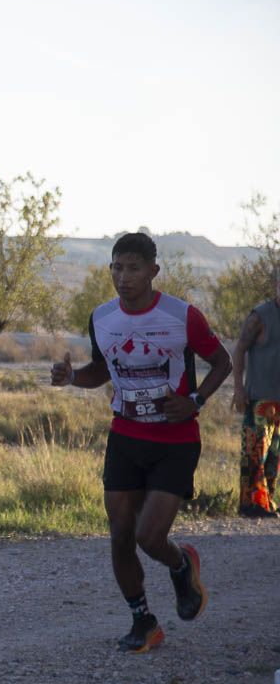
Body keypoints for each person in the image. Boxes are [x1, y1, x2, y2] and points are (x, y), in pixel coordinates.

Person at [51, 232, 232, 653]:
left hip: (175, 439)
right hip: (126, 435)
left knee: (150, 538)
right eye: (117, 267)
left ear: (153, 271)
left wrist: (196, 401)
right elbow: (101, 370)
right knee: (120, 533)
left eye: (133, 268)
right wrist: (72, 377)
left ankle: (181, 562)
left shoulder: (182, 316)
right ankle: (143, 621)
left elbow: (221, 360)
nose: (124, 276)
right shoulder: (102, 318)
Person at [231, 266, 280, 518]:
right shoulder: (260, 316)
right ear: (276, 284)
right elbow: (239, 350)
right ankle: (250, 504)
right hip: (260, 399)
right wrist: (238, 389)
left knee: (275, 456)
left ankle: (268, 502)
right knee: (254, 454)